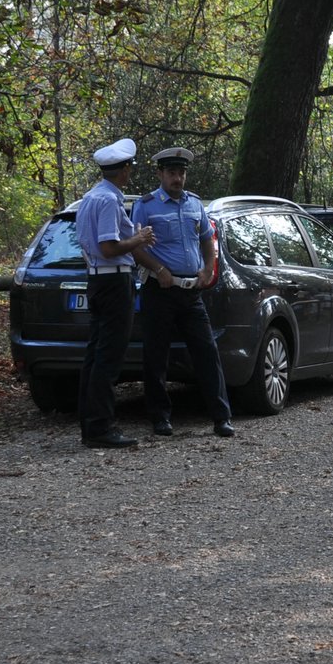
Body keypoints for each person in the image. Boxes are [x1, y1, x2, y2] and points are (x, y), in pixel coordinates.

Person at [129, 147, 236, 439]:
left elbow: (206, 239)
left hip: (191, 293)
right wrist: (159, 269)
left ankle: (221, 417)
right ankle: (160, 418)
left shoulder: (194, 204)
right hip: (159, 289)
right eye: (172, 173)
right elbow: (135, 246)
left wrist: (207, 268)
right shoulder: (146, 205)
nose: (178, 178)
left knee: (207, 352)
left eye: (182, 173)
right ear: (161, 174)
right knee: (156, 356)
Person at [75, 138, 156, 449]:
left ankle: (90, 423)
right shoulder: (109, 201)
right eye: (129, 167)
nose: (130, 172)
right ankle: (100, 428)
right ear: (124, 169)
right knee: (109, 356)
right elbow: (109, 248)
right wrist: (138, 239)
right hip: (113, 282)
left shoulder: (90, 198)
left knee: (95, 355)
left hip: (96, 281)